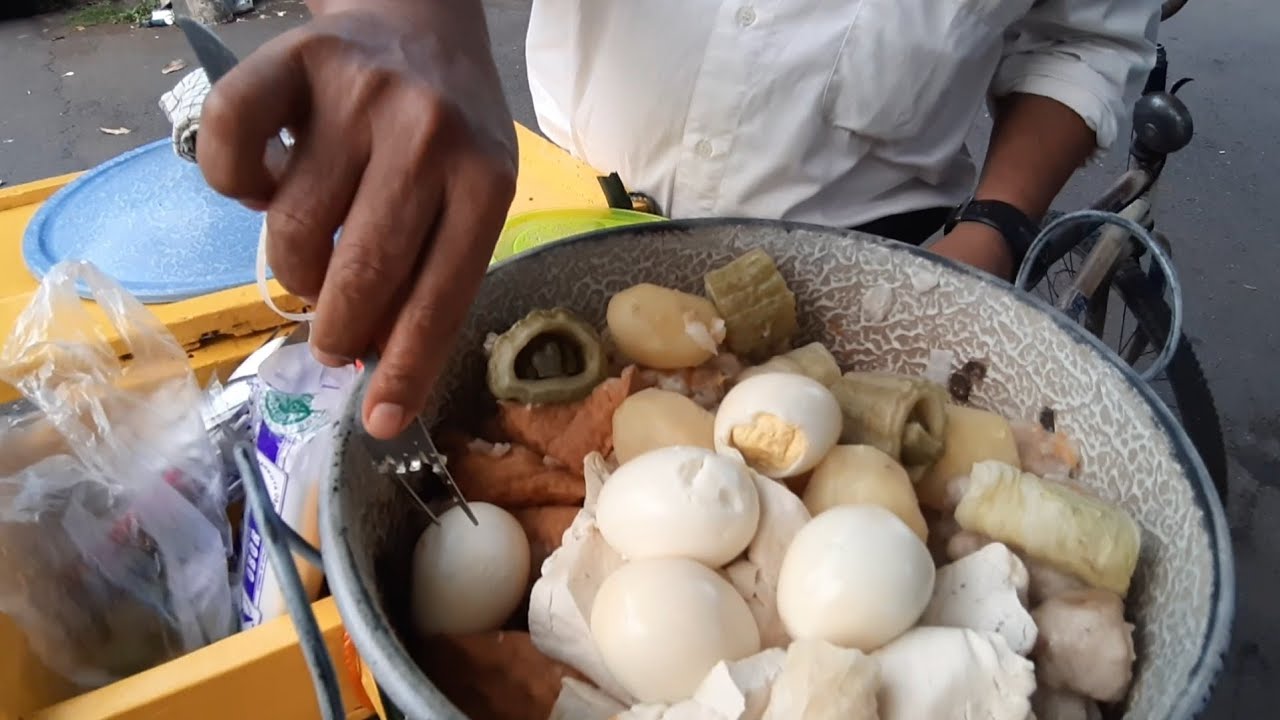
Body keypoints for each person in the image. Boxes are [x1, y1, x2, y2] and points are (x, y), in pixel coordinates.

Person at [195, 0, 1162, 440]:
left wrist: (994, 224)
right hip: (573, 217)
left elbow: (1083, 36)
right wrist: (404, 19)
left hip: (881, 262)